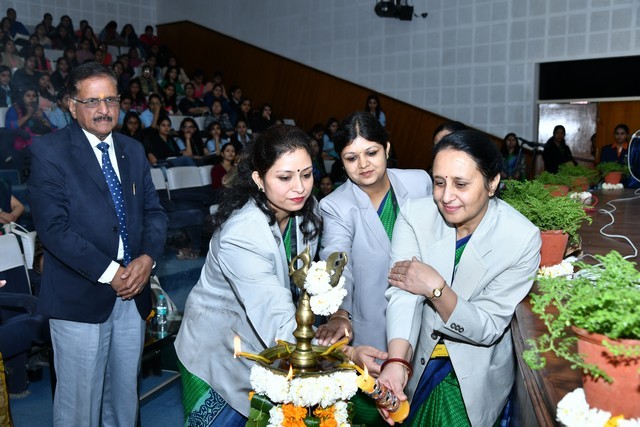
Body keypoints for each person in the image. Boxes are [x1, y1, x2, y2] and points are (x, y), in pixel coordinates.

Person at [28, 62, 168, 427]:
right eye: (92, 101)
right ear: (72, 106)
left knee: (123, 404)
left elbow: (154, 212)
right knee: (80, 409)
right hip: (79, 297)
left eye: (111, 99)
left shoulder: (133, 150)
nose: (104, 109)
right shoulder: (49, 151)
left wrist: (147, 259)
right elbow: (53, 229)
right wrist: (112, 273)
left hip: (133, 295)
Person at [378, 130, 541, 426]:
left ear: (493, 183)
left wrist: (436, 288)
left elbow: (488, 326)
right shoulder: (416, 215)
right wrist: (398, 361)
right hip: (418, 354)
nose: (446, 196)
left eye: (461, 184)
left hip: (473, 371)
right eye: (439, 182)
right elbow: (403, 293)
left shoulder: (520, 238)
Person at [174, 125, 323, 425]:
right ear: (258, 179)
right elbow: (274, 315)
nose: (300, 188)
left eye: (306, 175)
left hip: (269, 343)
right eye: (285, 177)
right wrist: (342, 355)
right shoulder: (241, 234)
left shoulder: (309, 213)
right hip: (217, 352)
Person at [315, 111, 432, 425]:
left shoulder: (419, 182)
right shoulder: (336, 205)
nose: (363, 164)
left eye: (371, 153)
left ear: (387, 148)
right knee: (383, 410)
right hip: (375, 325)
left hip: (428, 313)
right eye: (351, 157)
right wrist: (339, 313)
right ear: (341, 161)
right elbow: (336, 260)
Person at [6, 86, 56, 151]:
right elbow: (10, 128)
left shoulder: (38, 110)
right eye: (28, 96)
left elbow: (51, 129)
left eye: (34, 96)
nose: (31, 98)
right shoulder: (14, 109)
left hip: (42, 141)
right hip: (23, 144)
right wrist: (28, 115)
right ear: (22, 97)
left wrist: (41, 118)